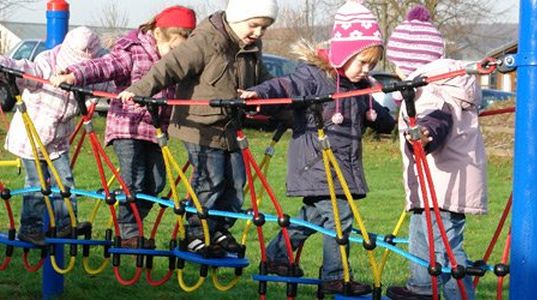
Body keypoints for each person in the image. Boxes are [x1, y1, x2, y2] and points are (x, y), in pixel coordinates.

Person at [239, 0, 396, 295]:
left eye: (371, 65)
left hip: (340, 169)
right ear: (343, 54)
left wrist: (392, 121)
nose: (366, 69)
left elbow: (374, 113)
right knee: (340, 218)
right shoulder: (314, 77)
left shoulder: (358, 87)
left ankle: (276, 257)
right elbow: (284, 87)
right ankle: (335, 276)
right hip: (317, 166)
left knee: (311, 219)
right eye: (361, 61)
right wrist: (258, 93)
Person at [118, 0, 279, 256]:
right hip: (198, 124)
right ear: (237, 18)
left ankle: (218, 229)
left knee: (237, 182)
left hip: (230, 126)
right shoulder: (207, 40)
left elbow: (265, 79)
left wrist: (284, 99)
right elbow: (169, 67)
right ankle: (194, 234)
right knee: (210, 179)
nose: (258, 33)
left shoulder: (251, 48)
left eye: (264, 28)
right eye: (254, 25)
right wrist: (139, 89)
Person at [50, 6, 197, 249]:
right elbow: (103, 66)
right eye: (173, 49)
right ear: (158, 34)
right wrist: (74, 75)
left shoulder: (175, 62)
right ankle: (129, 232)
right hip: (127, 126)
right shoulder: (132, 51)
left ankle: (133, 222)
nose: (174, 57)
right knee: (135, 180)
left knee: (157, 182)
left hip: (155, 131)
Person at [384, 5, 487, 300]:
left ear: (408, 65)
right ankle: (419, 288)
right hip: (436, 185)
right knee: (422, 236)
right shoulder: (444, 83)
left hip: (442, 186)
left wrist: (425, 133)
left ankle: (458, 296)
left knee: (446, 250)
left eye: (397, 66)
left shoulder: (431, 88)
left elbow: (436, 119)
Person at [2, 27, 104, 246]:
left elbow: (107, 82)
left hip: (57, 141)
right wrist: (4, 66)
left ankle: (65, 224)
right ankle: (29, 227)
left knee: (65, 182)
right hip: (31, 138)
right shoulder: (46, 65)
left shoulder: (87, 75)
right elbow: (23, 68)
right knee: (37, 183)